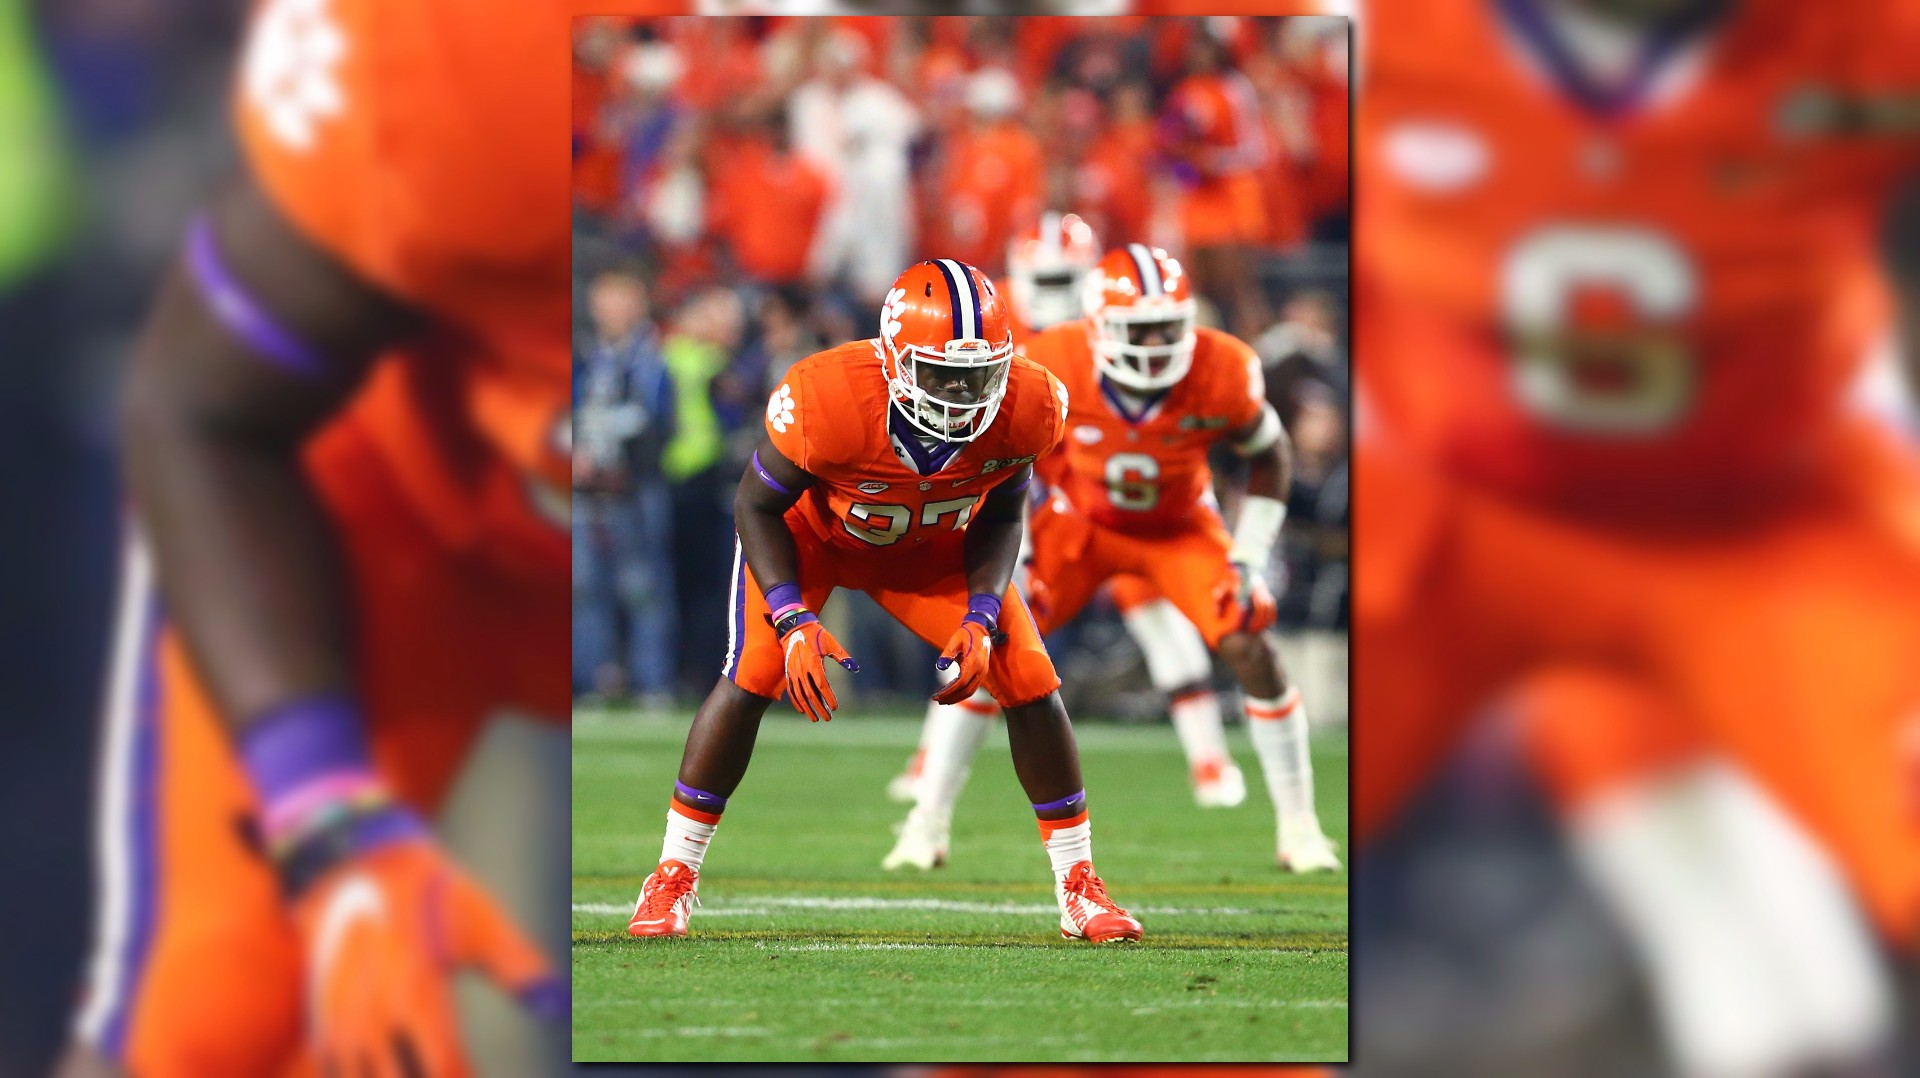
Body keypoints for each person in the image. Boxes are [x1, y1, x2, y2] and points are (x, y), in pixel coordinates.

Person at [1353, 0, 1920, 1072]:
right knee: (1224, 743)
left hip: (1765, 522)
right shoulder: (1386, 37)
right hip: (1465, 515)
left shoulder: (1863, 46)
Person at [60, 2, 570, 1075]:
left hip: (729, 564)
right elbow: (204, 414)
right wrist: (324, 809)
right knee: (215, 1020)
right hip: (392, 518)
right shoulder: (472, 53)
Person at [626, 258, 1143, 945]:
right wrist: (791, 616)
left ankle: (1078, 884)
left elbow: (1002, 513)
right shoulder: (827, 395)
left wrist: (983, 614)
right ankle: (673, 875)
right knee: (752, 673)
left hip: (931, 553)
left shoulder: (1030, 403)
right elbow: (756, 505)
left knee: (1029, 676)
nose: (963, 392)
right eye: (942, 373)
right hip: (812, 540)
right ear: (896, 359)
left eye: (980, 372)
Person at [884, 244, 1340, 874]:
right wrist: (1017, 544)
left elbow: (1271, 453)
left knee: (1248, 643)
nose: (1156, 344)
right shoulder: (1054, 358)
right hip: (1081, 525)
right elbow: (1001, 457)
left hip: (1179, 528)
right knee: (987, 647)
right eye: (1139, 329)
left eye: (1168, 328)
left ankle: (1301, 828)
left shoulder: (1222, 366)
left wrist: (1250, 553)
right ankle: (925, 820)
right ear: (1099, 325)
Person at [573, 267, 677, 703]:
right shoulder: (590, 357)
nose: (604, 310)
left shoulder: (651, 359)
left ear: (635, 304)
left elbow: (654, 421)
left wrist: (607, 454)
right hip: (586, 491)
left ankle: (652, 683)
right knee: (584, 587)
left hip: (635, 489)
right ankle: (594, 680)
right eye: (600, 300)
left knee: (643, 589)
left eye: (614, 299)